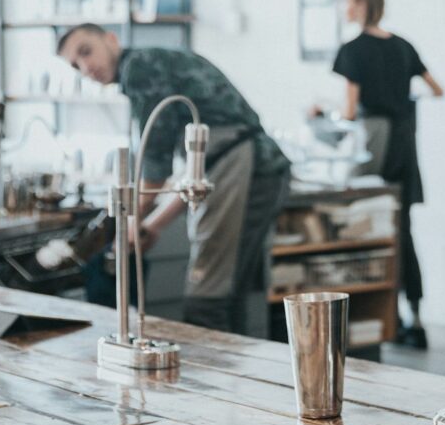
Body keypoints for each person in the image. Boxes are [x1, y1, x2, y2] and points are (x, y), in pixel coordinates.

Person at [57, 24, 291, 336]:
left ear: (111, 40)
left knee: (207, 299)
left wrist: (131, 220)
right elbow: (196, 175)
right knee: (224, 295)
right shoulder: (154, 63)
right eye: (75, 65)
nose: (85, 67)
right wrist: (151, 224)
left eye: (86, 52)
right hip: (248, 167)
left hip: (247, 166)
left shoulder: (140, 68)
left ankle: (218, 381)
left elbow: (156, 166)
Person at [330, 0, 443, 349]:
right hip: (404, 143)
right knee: (402, 231)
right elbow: (436, 89)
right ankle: (415, 318)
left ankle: (373, 319)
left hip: (374, 142)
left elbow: (348, 111)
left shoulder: (352, 50)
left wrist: (324, 113)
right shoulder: (403, 46)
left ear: (360, 3)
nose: (343, 6)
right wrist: (405, 98)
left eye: (346, 0)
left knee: (364, 227)